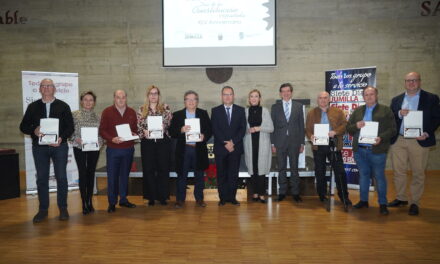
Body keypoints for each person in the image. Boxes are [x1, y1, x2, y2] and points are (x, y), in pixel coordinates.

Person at [19, 78, 74, 223]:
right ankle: (43, 210)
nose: (46, 88)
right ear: (40, 89)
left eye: (49, 86)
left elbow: (70, 127)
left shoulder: (63, 106)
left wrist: (61, 138)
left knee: (61, 177)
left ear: (54, 88)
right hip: (40, 148)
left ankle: (63, 208)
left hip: (59, 147)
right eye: (43, 86)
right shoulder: (32, 107)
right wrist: (34, 130)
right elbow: (23, 126)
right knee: (42, 178)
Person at [388, 72, 440, 216]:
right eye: (408, 81)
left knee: (418, 172)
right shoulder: (396, 99)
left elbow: (436, 118)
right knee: (398, 171)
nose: (411, 83)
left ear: (419, 82)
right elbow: (391, 116)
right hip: (399, 139)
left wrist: (427, 133)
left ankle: (415, 202)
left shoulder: (431, 98)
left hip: (419, 140)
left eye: (414, 80)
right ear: (405, 82)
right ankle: (401, 198)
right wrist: (399, 113)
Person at [347, 87, 396, 215]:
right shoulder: (358, 111)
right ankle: (363, 201)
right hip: (360, 150)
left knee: (379, 177)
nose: (369, 97)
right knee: (363, 176)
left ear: (377, 95)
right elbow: (349, 128)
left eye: (371, 94)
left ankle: (383, 203)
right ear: (363, 97)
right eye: (366, 95)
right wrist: (356, 126)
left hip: (377, 150)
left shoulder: (385, 110)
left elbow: (392, 129)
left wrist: (381, 138)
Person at [305, 91, 351, 208]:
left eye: (325, 98)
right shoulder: (311, 113)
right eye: (320, 98)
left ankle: (344, 196)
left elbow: (345, 125)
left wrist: (335, 132)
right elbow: (308, 129)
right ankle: (322, 194)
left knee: (339, 171)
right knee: (319, 171)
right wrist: (311, 136)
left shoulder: (338, 111)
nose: (323, 100)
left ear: (329, 99)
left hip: (333, 144)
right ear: (317, 100)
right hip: (318, 146)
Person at [169, 90, 212, 208]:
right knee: (182, 175)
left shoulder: (203, 113)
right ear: (185, 101)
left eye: (194, 99)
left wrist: (204, 136)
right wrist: (181, 130)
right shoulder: (177, 115)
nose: (191, 101)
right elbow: (171, 132)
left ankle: (199, 199)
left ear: (197, 101)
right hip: (184, 149)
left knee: (199, 175)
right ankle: (180, 200)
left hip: (198, 149)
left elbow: (209, 129)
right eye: (189, 99)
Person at [100, 90, 137, 213]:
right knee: (112, 176)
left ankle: (124, 200)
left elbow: (135, 129)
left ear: (126, 98)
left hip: (128, 149)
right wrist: (112, 139)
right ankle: (112, 203)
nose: (121, 100)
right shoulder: (107, 111)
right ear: (114, 98)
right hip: (113, 149)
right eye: (118, 97)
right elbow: (102, 131)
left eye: (123, 97)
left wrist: (133, 134)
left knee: (124, 176)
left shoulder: (131, 112)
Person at [137, 85, 172, 206]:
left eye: (155, 93)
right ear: (147, 96)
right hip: (148, 143)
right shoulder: (142, 109)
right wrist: (144, 132)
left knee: (163, 169)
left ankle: (162, 196)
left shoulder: (165, 108)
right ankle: (150, 197)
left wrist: (164, 126)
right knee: (148, 169)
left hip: (162, 142)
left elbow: (169, 122)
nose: (153, 96)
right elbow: (138, 126)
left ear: (159, 95)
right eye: (151, 93)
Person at [211, 86, 246, 206]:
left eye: (230, 94)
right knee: (221, 174)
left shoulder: (241, 110)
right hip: (221, 148)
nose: (227, 97)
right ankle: (223, 198)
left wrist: (233, 142)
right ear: (221, 96)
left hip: (235, 148)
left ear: (233, 96)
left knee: (233, 174)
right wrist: (225, 143)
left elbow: (242, 129)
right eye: (225, 94)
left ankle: (232, 197)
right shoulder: (215, 110)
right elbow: (215, 129)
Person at [271, 83, 305, 202]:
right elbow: (273, 127)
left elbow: (302, 126)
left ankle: (295, 193)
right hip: (280, 143)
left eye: (288, 91)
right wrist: (272, 144)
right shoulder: (275, 107)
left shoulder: (298, 106)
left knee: (295, 168)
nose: (286, 93)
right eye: (283, 91)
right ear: (280, 93)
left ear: (291, 92)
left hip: (295, 142)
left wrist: (302, 143)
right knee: (281, 168)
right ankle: (282, 193)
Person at [70, 91, 103, 215]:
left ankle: (90, 201)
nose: (88, 102)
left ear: (94, 102)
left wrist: (100, 142)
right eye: (85, 99)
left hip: (94, 149)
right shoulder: (74, 115)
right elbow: (69, 132)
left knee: (91, 173)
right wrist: (75, 139)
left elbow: (102, 134)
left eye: (91, 100)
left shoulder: (98, 117)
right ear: (81, 101)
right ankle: (83, 202)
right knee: (83, 173)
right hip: (79, 147)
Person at [243, 89, 274, 203]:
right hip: (249, 144)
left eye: (256, 96)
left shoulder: (265, 111)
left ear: (260, 99)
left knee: (261, 168)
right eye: (252, 96)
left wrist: (258, 128)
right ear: (249, 99)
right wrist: (247, 130)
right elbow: (241, 129)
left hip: (262, 144)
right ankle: (255, 193)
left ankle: (261, 194)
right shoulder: (245, 111)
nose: (254, 98)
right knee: (253, 169)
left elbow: (271, 128)